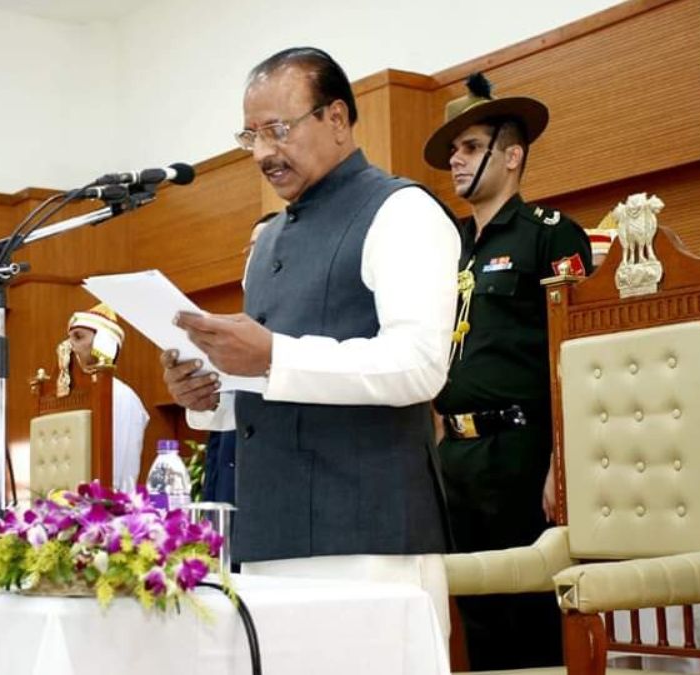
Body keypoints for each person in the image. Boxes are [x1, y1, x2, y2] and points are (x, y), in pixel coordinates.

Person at [160, 47, 460, 632]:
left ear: (338, 119)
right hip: (271, 530)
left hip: (368, 536)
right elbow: (272, 383)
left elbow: (421, 366)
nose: (264, 153)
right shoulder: (268, 238)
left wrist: (271, 354)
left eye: (278, 130)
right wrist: (210, 393)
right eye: (251, 136)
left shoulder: (401, 211)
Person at [422, 72, 593, 669]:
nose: (457, 161)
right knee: (476, 610)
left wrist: (562, 462)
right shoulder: (447, 247)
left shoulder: (549, 235)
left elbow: (577, 354)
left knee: (534, 610)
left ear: (512, 154)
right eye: (453, 152)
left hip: (524, 449)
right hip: (456, 456)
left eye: (470, 147)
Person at [201, 211, 278, 505]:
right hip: (229, 495)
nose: (254, 258)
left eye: (266, 246)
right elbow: (219, 440)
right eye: (251, 248)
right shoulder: (234, 331)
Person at [61, 303, 149, 490]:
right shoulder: (69, 393)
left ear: (104, 342)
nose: (70, 347)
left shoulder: (121, 396)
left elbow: (115, 470)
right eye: (69, 339)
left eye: (78, 337)